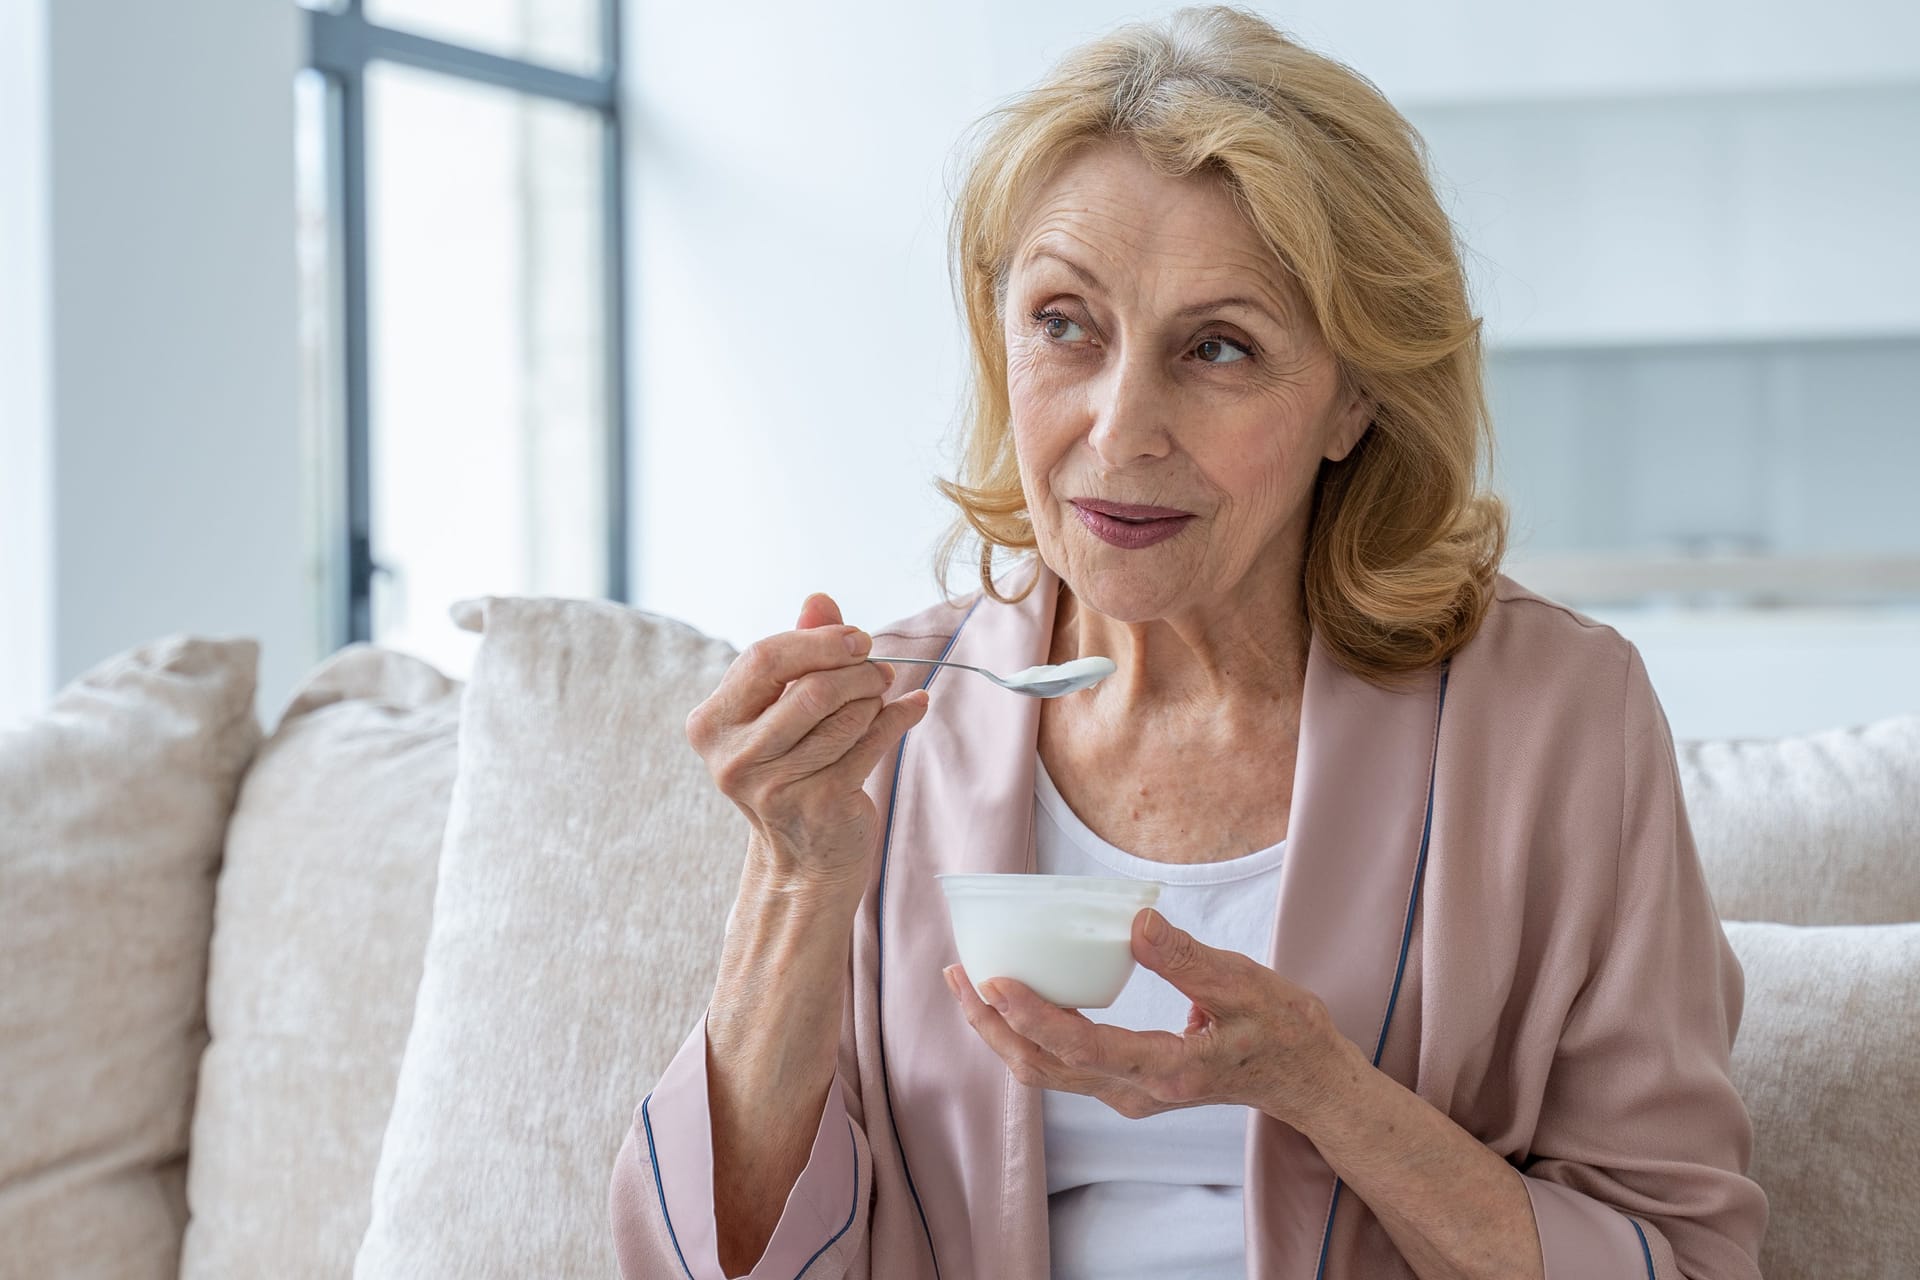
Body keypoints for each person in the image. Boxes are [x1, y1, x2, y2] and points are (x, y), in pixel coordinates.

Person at [609, 8, 1767, 1278]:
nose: (1120, 431)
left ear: (1357, 397)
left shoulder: (1554, 718)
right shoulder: (896, 725)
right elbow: (708, 1262)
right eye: (1065, 323)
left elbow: (1682, 1257)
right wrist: (793, 876)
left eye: (1219, 347)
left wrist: (1325, 1089)